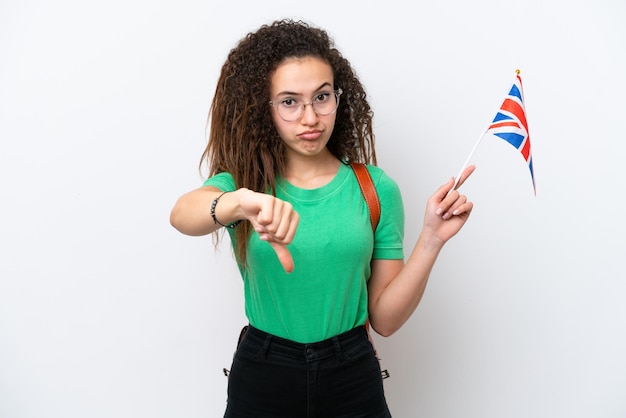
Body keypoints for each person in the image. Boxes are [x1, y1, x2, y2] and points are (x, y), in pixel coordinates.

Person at [170, 18, 474, 418]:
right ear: (265, 108)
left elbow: (383, 319)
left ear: (338, 98)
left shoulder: (375, 189)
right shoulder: (246, 185)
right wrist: (238, 204)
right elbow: (182, 214)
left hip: (350, 371)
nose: (310, 118)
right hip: (264, 370)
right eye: (290, 101)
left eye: (322, 97)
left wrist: (431, 240)